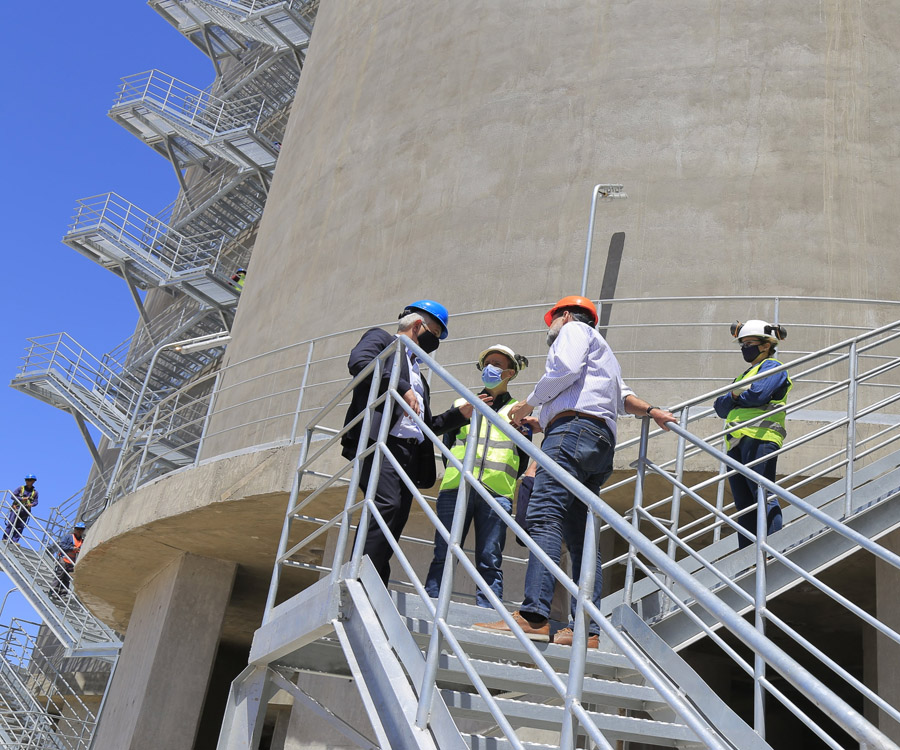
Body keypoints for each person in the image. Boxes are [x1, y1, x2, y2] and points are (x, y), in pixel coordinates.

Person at [474, 296, 676, 647]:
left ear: (564, 315)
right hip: (596, 442)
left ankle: (534, 616)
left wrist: (529, 403)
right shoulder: (605, 353)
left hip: (572, 434)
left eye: (551, 320)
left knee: (543, 515)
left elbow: (564, 369)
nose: (549, 328)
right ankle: (587, 630)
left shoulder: (574, 330)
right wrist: (652, 410)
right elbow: (621, 398)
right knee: (582, 536)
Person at [341, 300, 471, 585]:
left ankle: (374, 577)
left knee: (397, 515)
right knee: (385, 504)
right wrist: (400, 387)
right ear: (417, 326)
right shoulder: (383, 340)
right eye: (435, 333)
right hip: (381, 442)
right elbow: (360, 364)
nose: (434, 342)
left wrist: (456, 417)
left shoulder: (420, 379)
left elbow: (424, 426)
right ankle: (360, 578)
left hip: (409, 453)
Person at [424, 344, 535, 607]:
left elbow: (522, 458)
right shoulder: (462, 403)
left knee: (490, 557)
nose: (490, 368)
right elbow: (448, 447)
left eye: (497, 364)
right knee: (444, 551)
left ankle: (488, 612)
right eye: (487, 363)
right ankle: (432, 601)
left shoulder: (518, 411)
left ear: (510, 373)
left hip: (496, 493)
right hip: (456, 487)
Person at [714, 320, 791, 549]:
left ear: (766, 345)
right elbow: (720, 407)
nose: (744, 348)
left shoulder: (773, 367)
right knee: (744, 504)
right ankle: (747, 558)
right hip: (737, 443)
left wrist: (735, 396)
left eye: (749, 343)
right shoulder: (744, 376)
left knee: (763, 496)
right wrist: (737, 395)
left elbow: (758, 395)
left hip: (761, 437)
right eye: (742, 344)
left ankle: (771, 550)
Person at [53, 522, 86, 597]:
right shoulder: (68, 537)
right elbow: (62, 545)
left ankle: (63, 594)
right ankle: (53, 592)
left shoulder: (82, 541)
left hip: (72, 562)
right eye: (78, 529)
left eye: (81, 530)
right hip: (64, 559)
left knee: (66, 578)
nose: (79, 531)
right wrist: (72, 548)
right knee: (59, 575)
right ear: (74, 529)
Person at [4, 475, 39, 543]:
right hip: (16, 508)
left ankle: (14, 541)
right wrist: (22, 499)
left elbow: (36, 502)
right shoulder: (20, 488)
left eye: (29, 480)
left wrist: (31, 504)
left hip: (25, 511)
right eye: (27, 480)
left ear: (33, 481)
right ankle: (5, 538)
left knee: (20, 526)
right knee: (11, 523)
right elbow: (12, 496)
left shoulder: (35, 492)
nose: (27, 481)